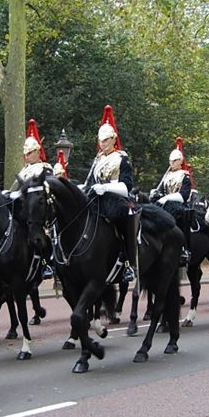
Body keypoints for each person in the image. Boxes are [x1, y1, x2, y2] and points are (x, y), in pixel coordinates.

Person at [82, 105, 137, 283]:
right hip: (96, 199)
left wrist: (106, 188)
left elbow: (127, 186)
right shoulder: (98, 160)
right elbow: (89, 181)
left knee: (121, 218)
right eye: (100, 141)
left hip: (115, 199)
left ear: (113, 139)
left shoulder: (122, 158)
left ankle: (128, 262)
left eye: (105, 140)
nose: (102, 144)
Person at [10, 120, 55, 279]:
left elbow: (47, 189)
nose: (26, 156)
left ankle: (46, 263)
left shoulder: (46, 168)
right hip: (24, 210)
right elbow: (15, 190)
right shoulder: (23, 171)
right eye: (25, 153)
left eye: (29, 153)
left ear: (37, 151)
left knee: (43, 234)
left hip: (40, 211)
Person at [151, 138, 192, 265]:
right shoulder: (167, 176)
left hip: (178, 204)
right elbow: (162, 192)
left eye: (174, 161)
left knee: (181, 214)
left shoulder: (185, 176)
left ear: (180, 161)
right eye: (170, 161)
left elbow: (184, 195)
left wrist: (167, 197)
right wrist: (156, 194)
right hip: (165, 203)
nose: (171, 163)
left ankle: (184, 248)